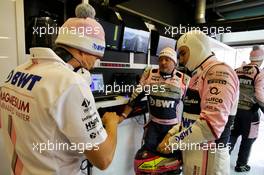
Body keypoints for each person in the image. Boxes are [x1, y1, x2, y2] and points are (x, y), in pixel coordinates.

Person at [0, 4, 121, 175]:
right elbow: (103, 159)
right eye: (96, 57)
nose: (94, 65)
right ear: (84, 51)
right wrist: (112, 124)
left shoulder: (14, 73)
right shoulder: (71, 84)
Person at [157, 30, 240, 175]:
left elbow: (210, 125)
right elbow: (190, 117)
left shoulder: (219, 71)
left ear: (197, 47)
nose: (181, 60)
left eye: (183, 53)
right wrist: (171, 133)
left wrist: (173, 142)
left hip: (211, 156)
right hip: (193, 150)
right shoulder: (198, 75)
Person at [121, 47, 189, 174]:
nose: (163, 62)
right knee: (148, 161)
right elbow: (135, 97)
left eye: (167, 59)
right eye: (161, 59)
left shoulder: (184, 79)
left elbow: (190, 109)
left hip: (173, 129)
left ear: (175, 63)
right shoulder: (150, 74)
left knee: (171, 163)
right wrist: (123, 115)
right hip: (153, 127)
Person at [229, 45, 264, 172]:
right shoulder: (259, 72)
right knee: (249, 138)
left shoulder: (236, 70)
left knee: (232, 135)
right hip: (250, 113)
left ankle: (223, 160)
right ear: (261, 59)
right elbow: (259, 95)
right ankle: (241, 165)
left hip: (233, 111)